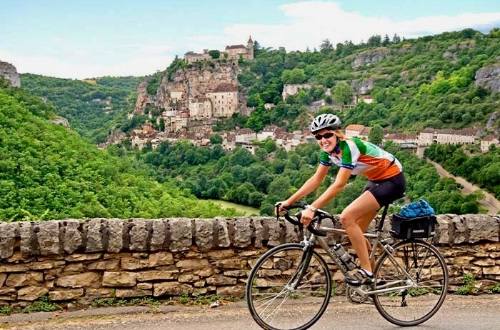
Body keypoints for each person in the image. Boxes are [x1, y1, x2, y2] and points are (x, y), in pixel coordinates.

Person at [277, 114, 406, 286]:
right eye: (318, 137)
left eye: (327, 135)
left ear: (337, 134)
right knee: (358, 229)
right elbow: (316, 180)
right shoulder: (328, 153)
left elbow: (339, 184)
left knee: (347, 217)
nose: (323, 140)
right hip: (375, 181)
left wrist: (312, 208)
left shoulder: (349, 147)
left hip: (392, 180)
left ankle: (366, 271)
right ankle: (375, 279)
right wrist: (288, 201)